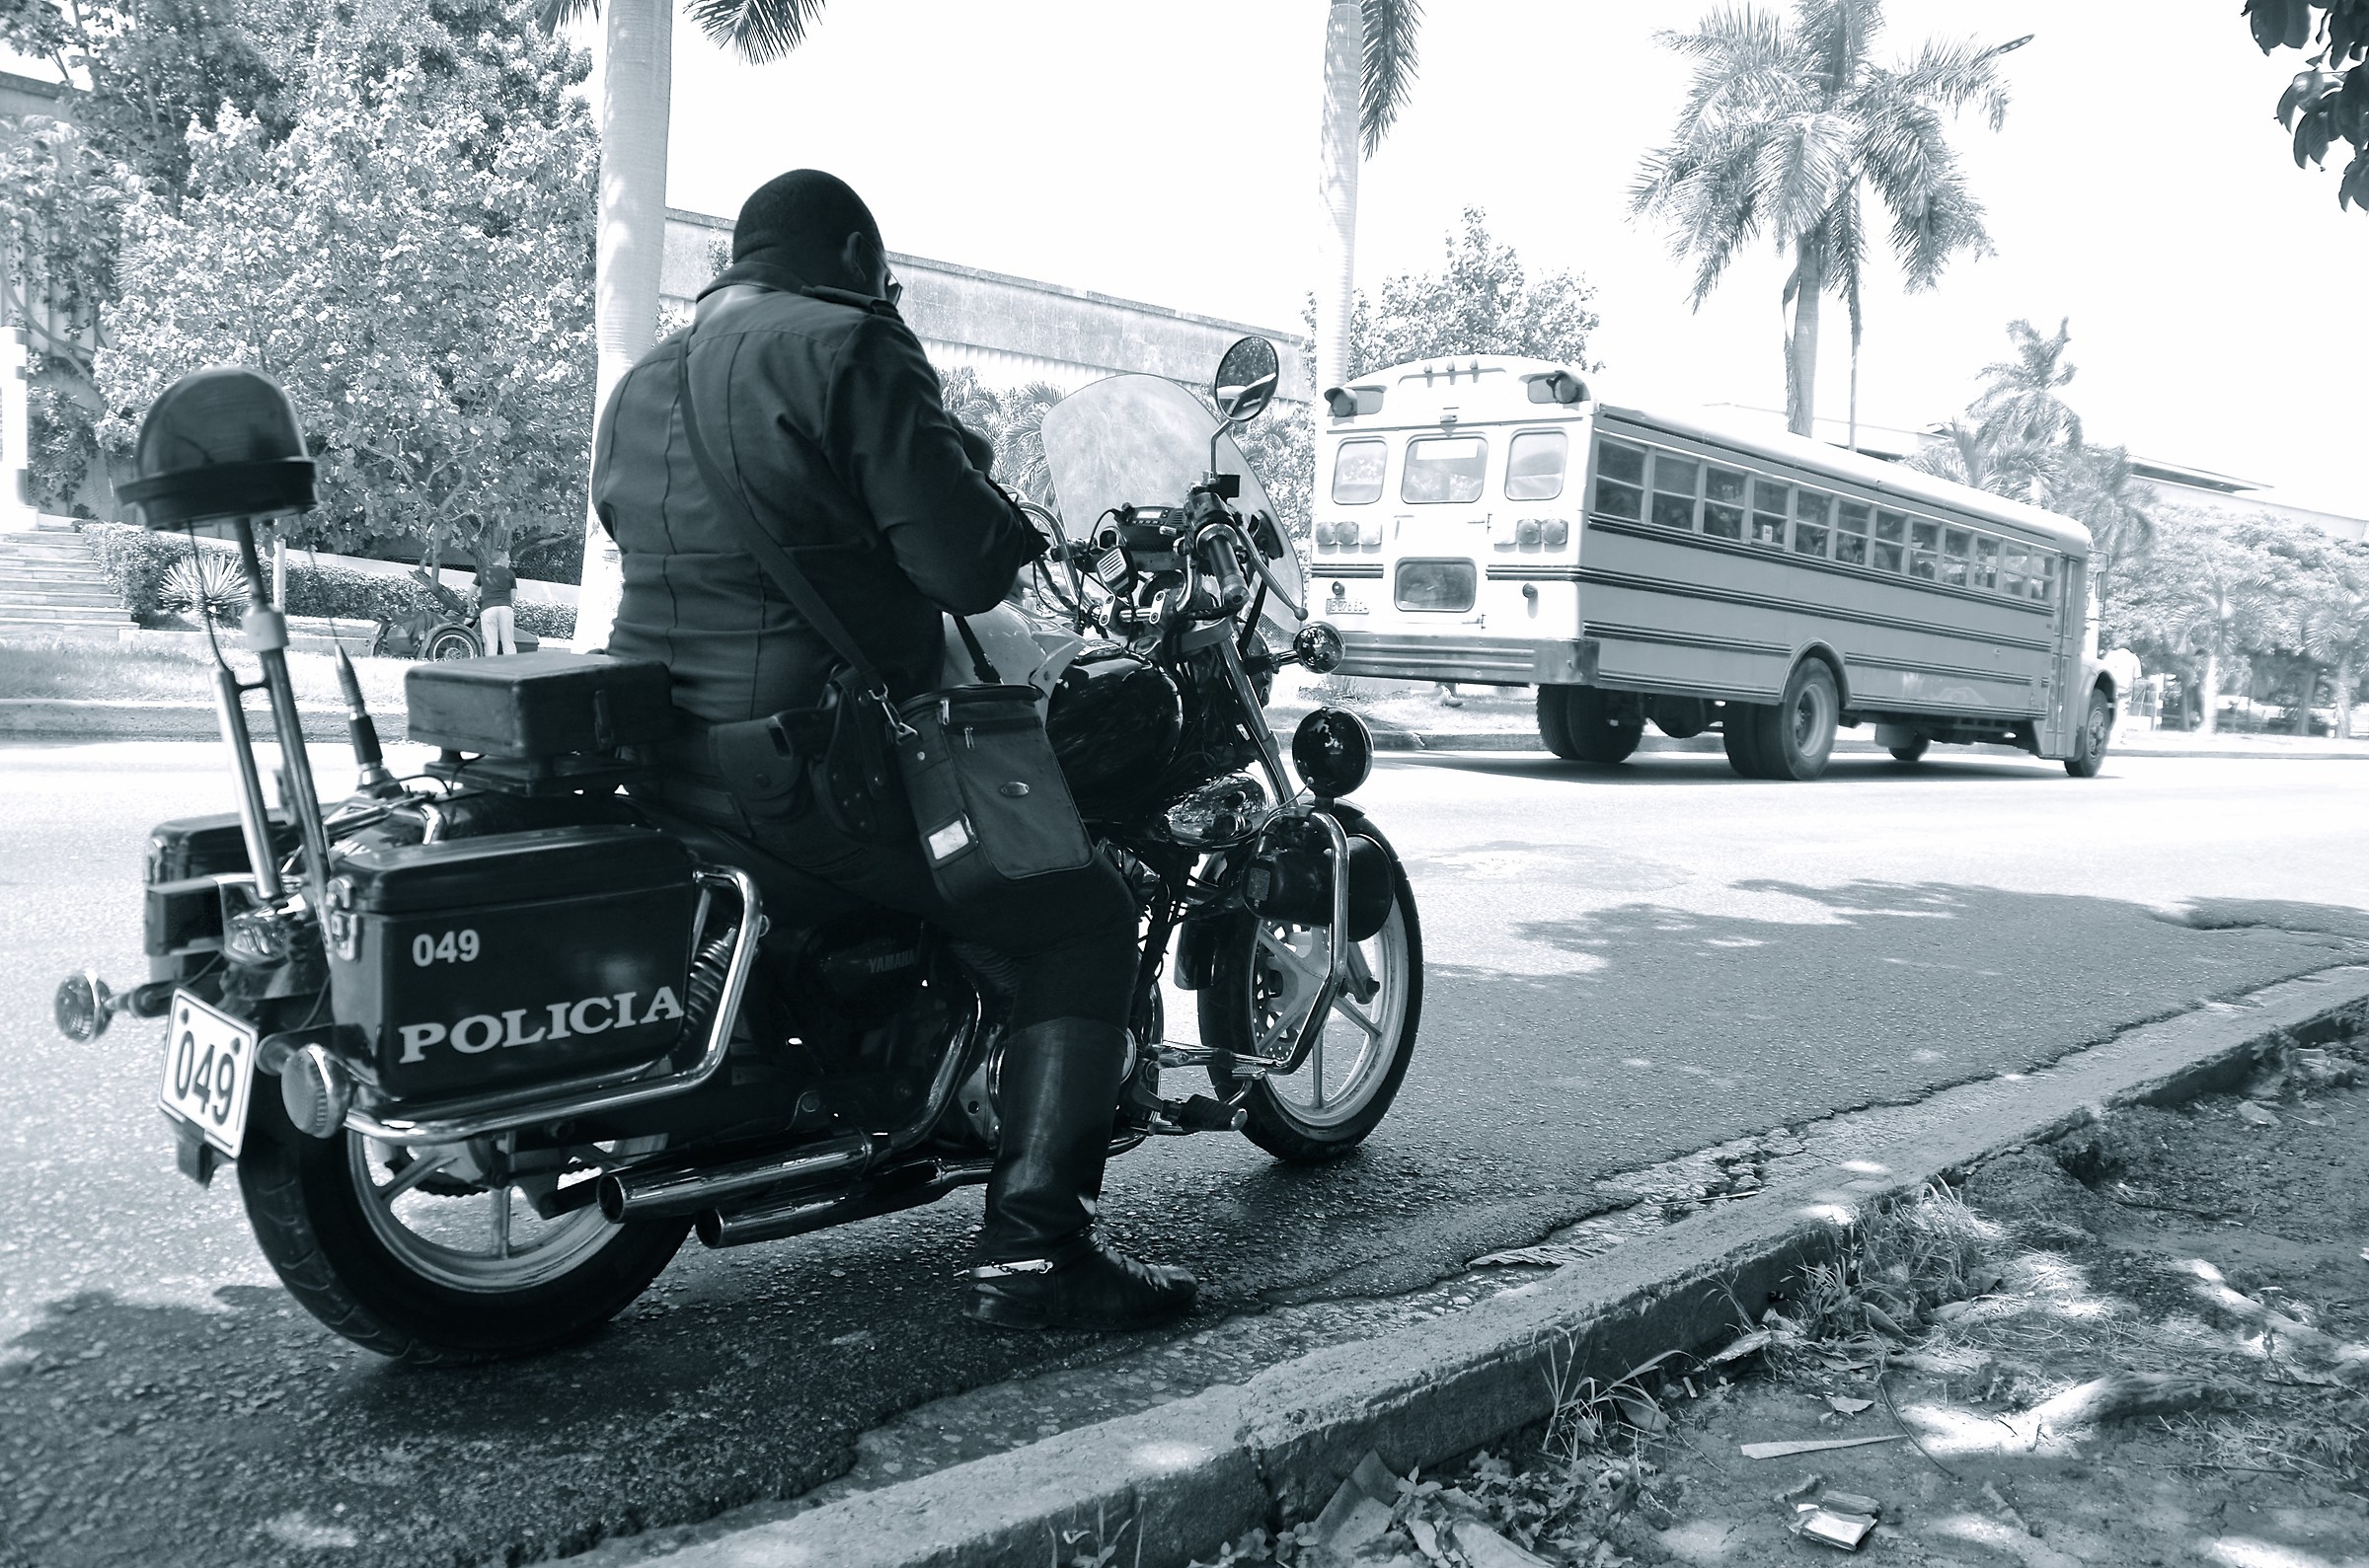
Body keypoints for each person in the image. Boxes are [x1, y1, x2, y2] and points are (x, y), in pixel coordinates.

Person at [589, 170, 1194, 1333]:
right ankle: (1037, 1249)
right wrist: (1002, 516)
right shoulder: (851, 346)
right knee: (1081, 911)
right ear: (859, 253)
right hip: (812, 771)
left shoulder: (646, 379)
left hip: (668, 762)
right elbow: (964, 567)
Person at [477, 550, 518, 655]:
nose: (509, 561)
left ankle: (491, 669)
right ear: (501, 559)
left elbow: (472, 592)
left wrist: (471, 604)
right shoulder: (510, 574)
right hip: (505, 609)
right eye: (508, 559)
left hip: (488, 609)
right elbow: (513, 597)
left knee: (490, 644)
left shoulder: (483, 572)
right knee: (508, 643)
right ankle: (512, 669)